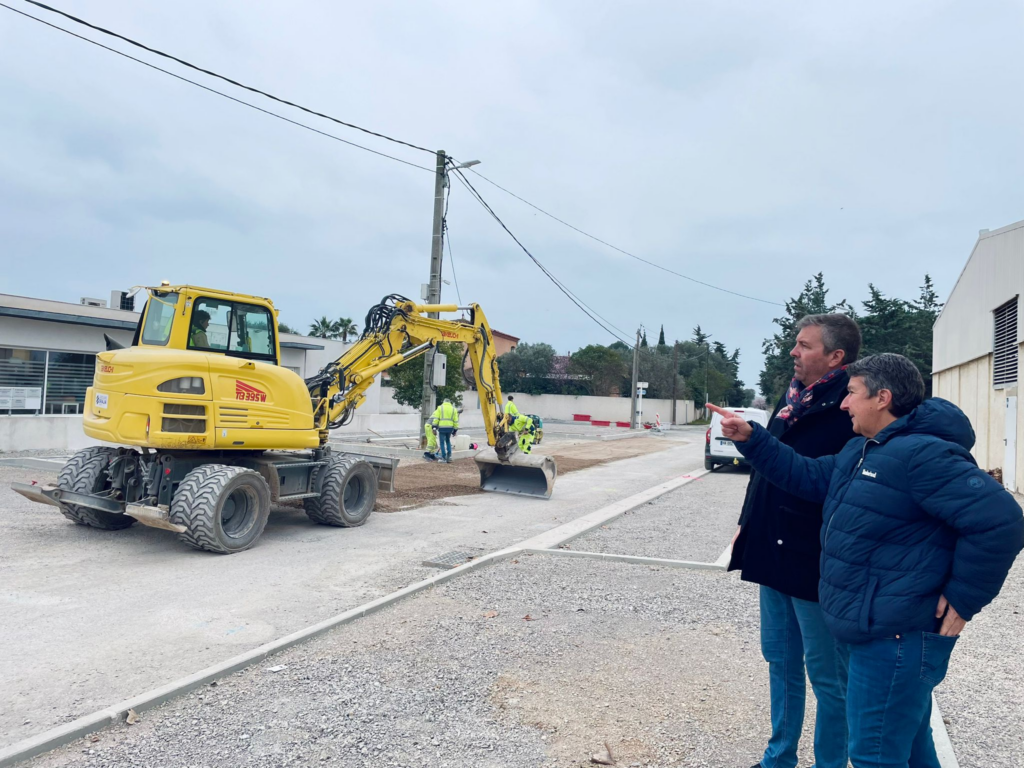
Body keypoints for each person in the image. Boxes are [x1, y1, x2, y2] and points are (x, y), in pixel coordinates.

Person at [710, 353, 1024, 768]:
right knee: (912, 750)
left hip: (896, 637)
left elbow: (1002, 522)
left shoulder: (923, 455)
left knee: (874, 755)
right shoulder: (863, 449)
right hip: (873, 629)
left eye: (852, 393)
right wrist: (753, 439)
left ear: (882, 398)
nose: (843, 403)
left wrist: (964, 597)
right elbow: (806, 475)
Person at [731, 313, 862, 768]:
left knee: (829, 678)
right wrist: (747, 521)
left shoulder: (849, 408)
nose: (793, 352)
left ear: (835, 356)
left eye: (804, 345)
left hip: (815, 562)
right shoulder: (791, 402)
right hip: (772, 551)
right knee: (781, 662)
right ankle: (778, 758)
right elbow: (765, 471)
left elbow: (829, 483)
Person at [430, 398, 459, 463]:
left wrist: (434, 427)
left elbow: (436, 418)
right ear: (449, 402)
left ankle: (443, 457)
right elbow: (456, 420)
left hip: (442, 428)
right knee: (448, 441)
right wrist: (455, 430)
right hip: (450, 428)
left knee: (442, 442)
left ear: (443, 402)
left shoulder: (440, 408)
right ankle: (449, 456)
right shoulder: (453, 409)